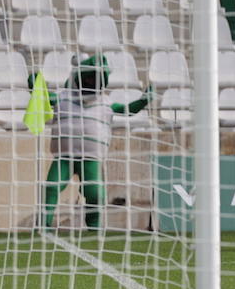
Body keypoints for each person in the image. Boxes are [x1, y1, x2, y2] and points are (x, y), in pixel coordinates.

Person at [38, 56, 151, 230]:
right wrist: (35, 85)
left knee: (96, 194)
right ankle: (44, 224)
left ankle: (94, 226)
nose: (91, 82)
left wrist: (144, 100)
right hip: (64, 158)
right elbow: (44, 97)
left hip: (91, 159)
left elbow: (128, 111)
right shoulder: (63, 97)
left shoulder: (106, 102)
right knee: (51, 187)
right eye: (88, 78)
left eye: (95, 79)